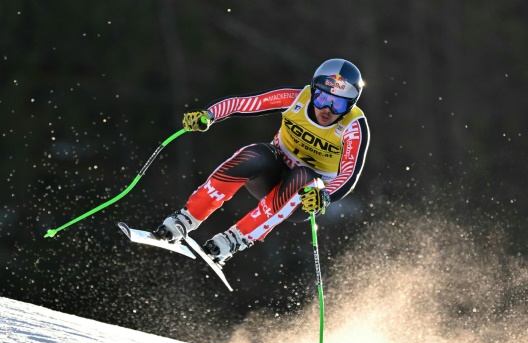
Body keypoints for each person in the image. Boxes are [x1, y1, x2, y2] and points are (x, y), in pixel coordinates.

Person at [154, 58, 370, 266]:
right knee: (255, 154)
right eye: (322, 99)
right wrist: (209, 115)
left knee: (304, 176)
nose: (327, 110)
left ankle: (234, 240)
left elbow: (350, 174)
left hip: (303, 199)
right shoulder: (296, 98)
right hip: (270, 176)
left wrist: (325, 196)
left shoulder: (354, 127)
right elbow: (244, 104)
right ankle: (184, 219)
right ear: (313, 91)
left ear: (350, 105)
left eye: (338, 104)